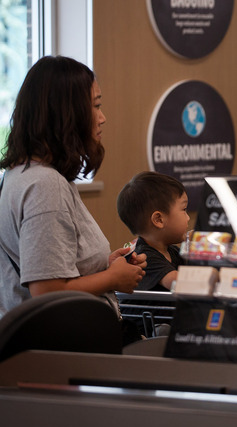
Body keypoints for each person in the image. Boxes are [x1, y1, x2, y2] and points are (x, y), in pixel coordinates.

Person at [0, 56, 146, 320]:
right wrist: (112, 279)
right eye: (96, 106)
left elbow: (51, 269)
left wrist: (106, 267)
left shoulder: (18, 176)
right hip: (59, 352)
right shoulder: (45, 186)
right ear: (67, 113)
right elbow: (47, 291)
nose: (102, 118)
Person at [117, 171, 189, 291]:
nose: (188, 218)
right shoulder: (143, 258)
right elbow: (180, 283)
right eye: (184, 209)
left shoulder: (173, 252)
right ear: (159, 220)